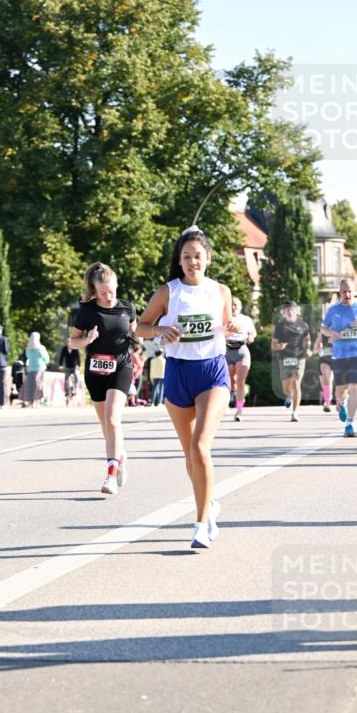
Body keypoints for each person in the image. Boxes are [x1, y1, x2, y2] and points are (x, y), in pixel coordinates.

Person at [136, 226, 234, 549]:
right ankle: (210, 502)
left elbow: (230, 328)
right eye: (186, 257)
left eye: (197, 256)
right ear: (179, 261)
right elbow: (140, 327)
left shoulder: (220, 291)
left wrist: (235, 327)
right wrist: (161, 329)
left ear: (208, 258)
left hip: (212, 372)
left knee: (201, 447)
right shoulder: (168, 292)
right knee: (190, 456)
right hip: (178, 373)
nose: (192, 262)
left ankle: (201, 524)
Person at [69, 263, 135, 494]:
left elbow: (136, 334)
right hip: (95, 371)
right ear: (95, 291)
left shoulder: (128, 308)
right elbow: (72, 342)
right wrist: (87, 340)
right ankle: (120, 455)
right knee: (106, 424)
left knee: (113, 418)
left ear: (117, 286)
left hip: (121, 367)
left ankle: (110, 475)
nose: (108, 297)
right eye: (103, 293)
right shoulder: (87, 311)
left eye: (112, 291)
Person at [320, 279, 357, 437]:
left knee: (355, 387)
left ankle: (350, 423)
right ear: (340, 293)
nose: (347, 294)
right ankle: (341, 403)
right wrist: (330, 333)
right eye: (344, 292)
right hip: (339, 354)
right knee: (341, 391)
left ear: (354, 292)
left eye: (350, 291)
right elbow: (323, 327)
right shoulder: (333, 310)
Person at [272, 302, 312, 422]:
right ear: (284, 313)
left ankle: (295, 412)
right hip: (284, 358)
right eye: (287, 310)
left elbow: (308, 339)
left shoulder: (303, 325)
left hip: (299, 357)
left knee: (296, 381)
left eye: (292, 309)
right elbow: (273, 344)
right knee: (286, 388)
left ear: (296, 311)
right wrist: (279, 346)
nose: (289, 312)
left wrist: (309, 349)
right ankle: (289, 395)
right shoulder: (280, 326)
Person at [225, 297, 256, 422]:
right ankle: (231, 394)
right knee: (231, 381)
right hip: (227, 351)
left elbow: (253, 333)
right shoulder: (224, 318)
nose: (233, 307)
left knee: (240, 382)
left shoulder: (246, 319)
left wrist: (251, 337)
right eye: (231, 305)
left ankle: (239, 410)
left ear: (240, 307)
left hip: (241, 350)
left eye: (236, 305)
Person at [23, 332, 50, 408]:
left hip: (31, 368)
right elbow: (46, 359)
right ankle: (37, 402)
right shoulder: (41, 348)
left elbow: (27, 357)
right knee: (38, 385)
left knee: (32, 385)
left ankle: (32, 402)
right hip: (40, 368)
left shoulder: (28, 348)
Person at [313, 326, 334, 413]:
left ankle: (332, 399)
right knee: (326, 381)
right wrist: (319, 345)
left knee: (331, 381)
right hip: (324, 359)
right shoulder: (322, 334)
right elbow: (314, 351)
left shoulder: (338, 332)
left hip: (336, 359)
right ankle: (327, 401)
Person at [58, 339, 81, 406]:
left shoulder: (75, 348)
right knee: (66, 379)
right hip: (68, 366)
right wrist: (60, 365)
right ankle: (67, 393)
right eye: (67, 342)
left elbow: (78, 357)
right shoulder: (64, 349)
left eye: (70, 342)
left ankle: (75, 388)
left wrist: (79, 365)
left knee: (76, 377)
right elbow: (61, 357)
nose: (68, 344)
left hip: (74, 366)